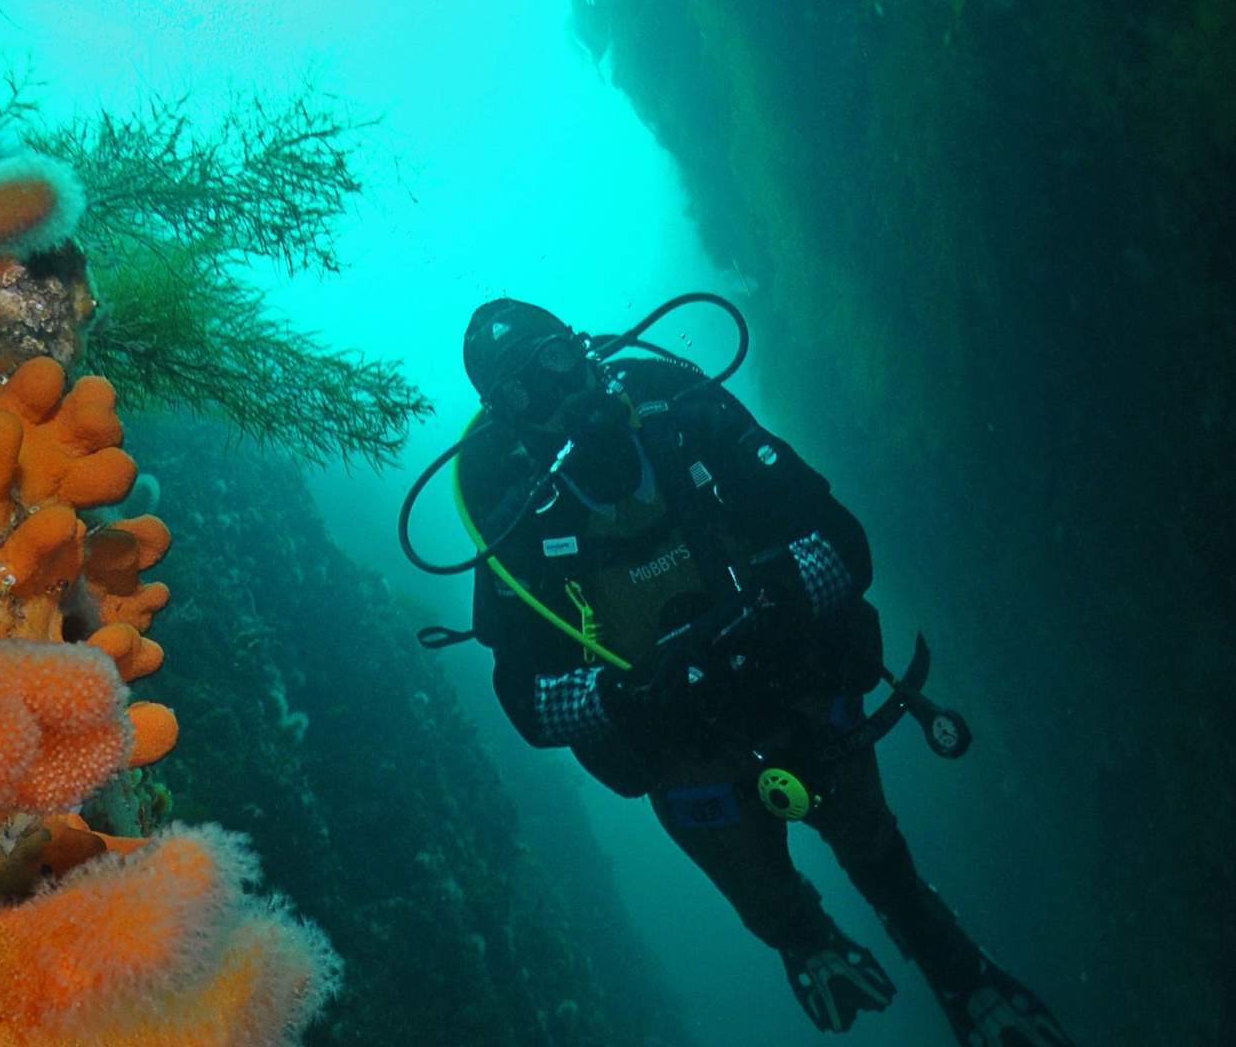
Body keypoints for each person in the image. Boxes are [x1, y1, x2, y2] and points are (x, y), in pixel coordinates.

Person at [450, 298, 1072, 1044]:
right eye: (521, 391)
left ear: (581, 348)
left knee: (878, 853)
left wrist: (775, 598)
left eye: (553, 360)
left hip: (793, 679)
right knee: (762, 894)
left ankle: (955, 968)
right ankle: (805, 939)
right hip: (681, 745)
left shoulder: (681, 412)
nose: (552, 393)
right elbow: (527, 704)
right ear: (506, 418)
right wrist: (630, 692)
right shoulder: (517, 517)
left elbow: (844, 543)